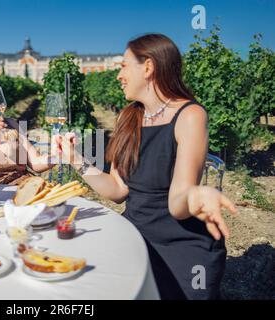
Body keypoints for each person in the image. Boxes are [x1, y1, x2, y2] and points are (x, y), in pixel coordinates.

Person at [58, 34, 237, 299]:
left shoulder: (189, 116)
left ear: (149, 67)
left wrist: (195, 194)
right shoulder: (127, 117)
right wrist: (73, 157)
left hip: (181, 244)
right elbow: (118, 189)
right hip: (134, 235)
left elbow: (177, 204)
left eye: (124, 65)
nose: (119, 75)